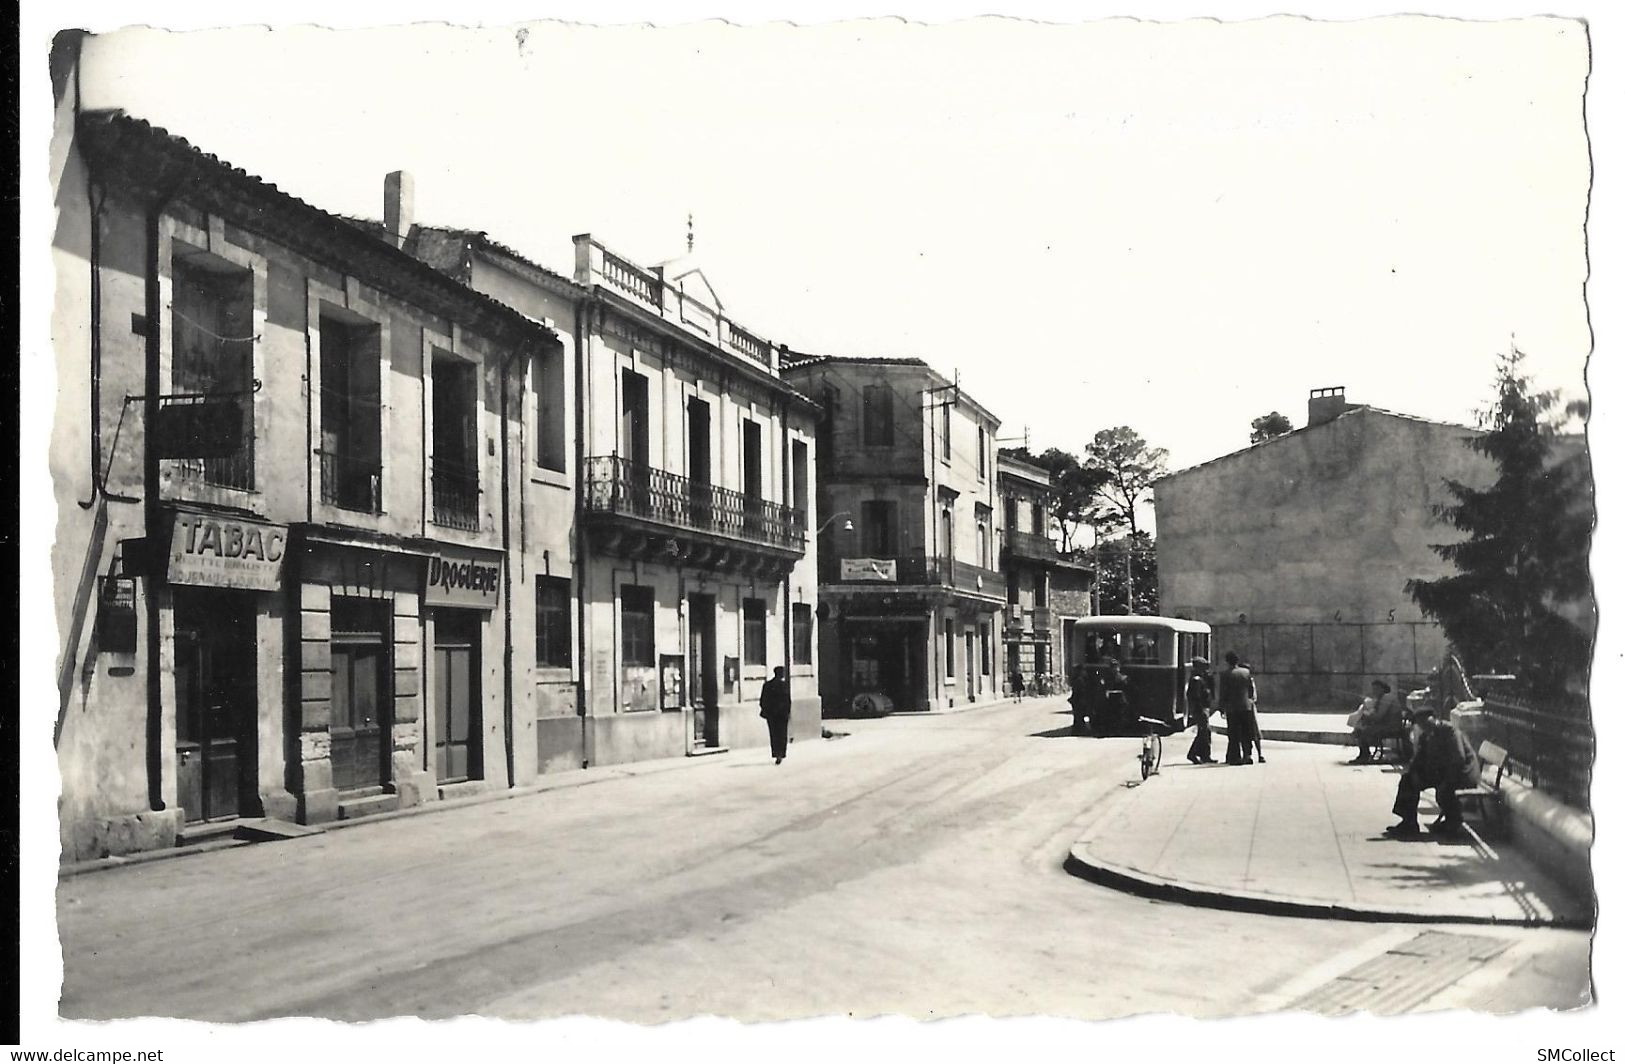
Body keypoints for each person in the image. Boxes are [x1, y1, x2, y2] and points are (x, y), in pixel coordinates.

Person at [1386, 708, 1477, 837]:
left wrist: (1446, 780)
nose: (1423, 725)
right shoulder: (1426, 735)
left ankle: (1453, 822)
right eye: (1420, 723)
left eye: (1425, 720)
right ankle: (1409, 822)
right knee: (1407, 781)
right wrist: (1414, 773)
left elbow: (1459, 759)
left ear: (1434, 718)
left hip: (1462, 774)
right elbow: (1418, 758)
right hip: (1442, 773)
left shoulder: (1449, 731)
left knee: (1445, 790)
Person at [1350, 679, 1409, 764]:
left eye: (1376, 689)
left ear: (1382, 689)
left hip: (1391, 726)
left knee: (1364, 731)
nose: (1374, 691)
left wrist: (1366, 715)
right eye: (1373, 689)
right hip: (1385, 724)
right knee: (1358, 729)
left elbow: (1379, 716)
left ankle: (1365, 755)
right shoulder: (1380, 698)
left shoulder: (1387, 698)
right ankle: (1363, 754)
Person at [1216, 651, 1258, 765]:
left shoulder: (1225, 675)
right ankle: (1247, 755)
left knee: (1234, 733)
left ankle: (1235, 757)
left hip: (1232, 708)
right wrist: (1249, 700)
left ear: (1227, 661)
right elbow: (1250, 689)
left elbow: (1223, 692)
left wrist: (1221, 707)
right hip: (1246, 707)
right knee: (1246, 732)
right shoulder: (1245, 672)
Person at [1184, 657, 1216, 764]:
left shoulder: (1199, 678)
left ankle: (1204, 755)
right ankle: (1193, 754)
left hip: (1201, 708)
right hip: (1200, 709)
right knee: (1204, 732)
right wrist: (1201, 709)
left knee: (1205, 732)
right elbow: (1197, 697)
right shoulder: (1197, 680)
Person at [759, 666, 793, 765]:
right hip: (782, 715)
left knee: (774, 734)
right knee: (782, 734)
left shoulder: (767, 685)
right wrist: (788, 712)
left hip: (771, 715)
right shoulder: (784, 686)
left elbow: (762, 700)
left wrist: (767, 710)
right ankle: (781, 754)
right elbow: (788, 701)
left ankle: (776, 753)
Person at [1067, 667, 1091, 735]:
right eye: (1083, 671)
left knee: (1078, 716)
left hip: (1077, 701)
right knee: (1079, 716)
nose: (1085, 672)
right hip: (1079, 701)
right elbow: (1080, 691)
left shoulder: (1078, 680)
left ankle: (1077, 730)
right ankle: (1079, 730)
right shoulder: (1080, 680)